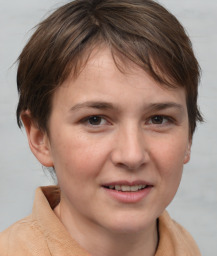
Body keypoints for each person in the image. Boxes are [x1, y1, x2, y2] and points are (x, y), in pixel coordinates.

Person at [0, 0, 203, 255]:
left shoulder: (184, 246)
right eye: (95, 120)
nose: (132, 155)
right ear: (40, 137)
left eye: (158, 119)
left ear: (189, 137)